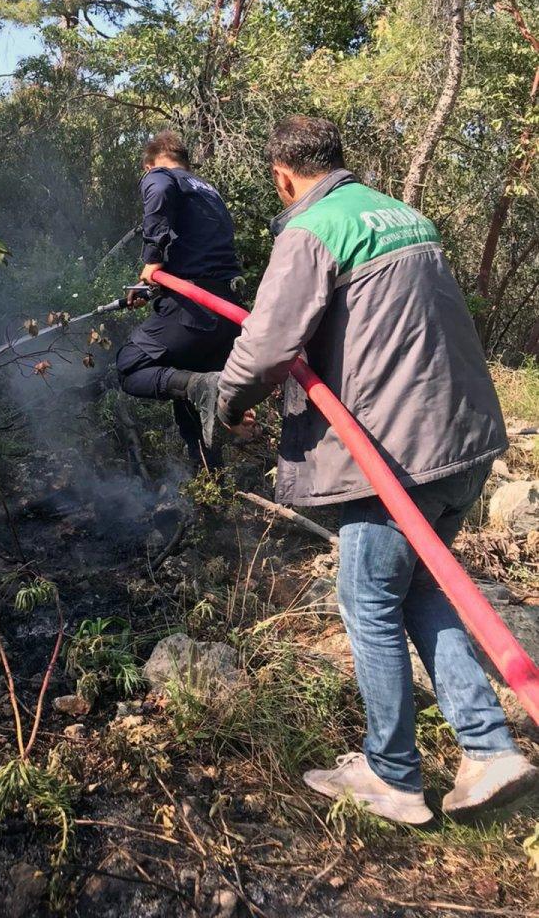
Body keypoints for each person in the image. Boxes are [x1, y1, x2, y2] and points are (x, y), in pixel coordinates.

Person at [211, 114, 537, 825]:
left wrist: (225, 404)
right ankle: (489, 749)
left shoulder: (313, 228)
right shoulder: (402, 215)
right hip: (462, 443)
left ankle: (392, 775)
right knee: (419, 589)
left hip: (394, 456)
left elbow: (266, 345)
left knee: (368, 603)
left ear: (282, 175)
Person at [115, 130, 242, 470]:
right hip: (225, 312)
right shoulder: (208, 192)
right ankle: (209, 486)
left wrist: (152, 258)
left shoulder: (160, 176)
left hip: (193, 309)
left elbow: (157, 189)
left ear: (149, 164)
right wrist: (153, 286)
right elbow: (199, 252)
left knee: (130, 367)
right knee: (190, 393)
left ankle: (201, 390)